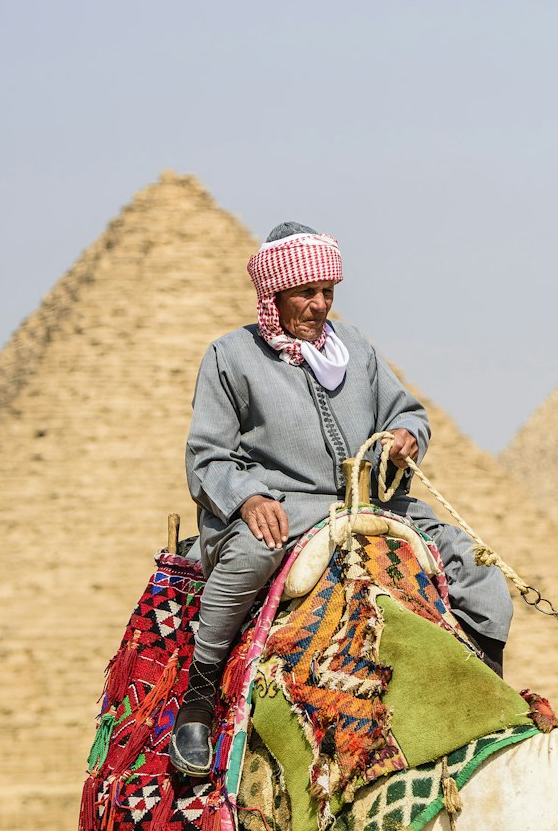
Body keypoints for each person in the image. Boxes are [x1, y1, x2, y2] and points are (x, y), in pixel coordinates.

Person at [169, 222, 513, 777]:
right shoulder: (232, 358)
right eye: (306, 293)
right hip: (286, 506)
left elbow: (408, 412)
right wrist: (248, 499)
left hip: (369, 500)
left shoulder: (353, 348)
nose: (319, 304)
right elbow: (207, 456)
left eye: (328, 292)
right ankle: (200, 700)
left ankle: (480, 687)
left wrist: (406, 439)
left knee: (475, 564)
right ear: (275, 295)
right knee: (254, 552)